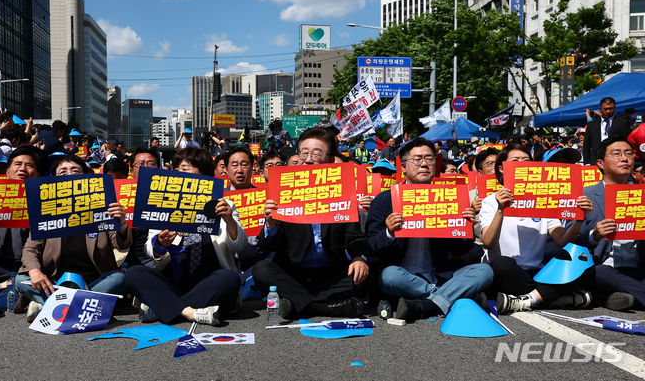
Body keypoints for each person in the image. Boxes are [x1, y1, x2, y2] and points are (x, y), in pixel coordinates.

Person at [366, 138, 493, 320]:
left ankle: (427, 305)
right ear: (403, 167)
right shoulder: (384, 200)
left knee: (484, 271)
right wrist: (389, 232)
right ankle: (448, 296)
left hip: (440, 275)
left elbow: (461, 250)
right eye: (417, 159)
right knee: (389, 276)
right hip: (402, 277)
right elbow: (371, 245)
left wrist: (465, 227)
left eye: (429, 159)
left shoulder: (450, 198)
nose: (424, 164)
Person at [253, 127, 372, 319]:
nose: (308, 159)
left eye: (317, 153)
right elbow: (265, 247)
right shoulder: (284, 189)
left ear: (331, 159)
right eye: (304, 153)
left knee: (364, 275)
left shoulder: (342, 190)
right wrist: (271, 225)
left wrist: (359, 258)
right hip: (293, 272)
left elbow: (354, 236)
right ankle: (327, 308)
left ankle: (295, 304)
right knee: (262, 270)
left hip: (330, 272)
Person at [124, 147, 247, 326]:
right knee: (134, 273)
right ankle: (190, 312)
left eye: (186, 170)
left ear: (203, 173)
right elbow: (150, 250)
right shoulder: (163, 201)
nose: (180, 174)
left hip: (207, 281)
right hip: (172, 279)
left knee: (229, 279)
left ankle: (162, 306)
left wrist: (229, 221)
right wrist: (159, 243)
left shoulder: (224, 205)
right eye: (178, 170)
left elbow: (239, 246)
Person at [479, 143, 594, 314]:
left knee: (580, 259)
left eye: (526, 160)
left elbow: (563, 241)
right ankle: (554, 297)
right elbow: (488, 242)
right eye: (516, 160)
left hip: (538, 272)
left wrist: (579, 218)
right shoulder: (490, 201)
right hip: (507, 272)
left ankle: (528, 300)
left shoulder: (544, 199)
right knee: (502, 264)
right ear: (503, 168)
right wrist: (501, 209)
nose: (522, 164)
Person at [16, 155, 132, 322]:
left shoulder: (102, 206)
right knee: (21, 279)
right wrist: (35, 272)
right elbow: (30, 249)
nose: (69, 174)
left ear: (86, 176)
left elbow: (122, 244)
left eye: (75, 170)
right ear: (54, 179)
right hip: (55, 283)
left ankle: (53, 307)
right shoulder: (46, 210)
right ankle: (82, 308)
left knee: (119, 277)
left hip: (93, 282)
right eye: (62, 172)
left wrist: (120, 222)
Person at [577, 137, 642, 310]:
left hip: (637, 266)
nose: (624, 158)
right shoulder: (585, 196)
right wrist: (595, 235)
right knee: (600, 273)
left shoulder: (641, 195)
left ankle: (615, 298)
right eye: (617, 154)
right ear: (600, 163)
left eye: (629, 154)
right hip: (604, 267)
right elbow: (570, 240)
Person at [0, 147, 46, 285]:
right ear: (7, 171)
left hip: (30, 267)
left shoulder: (45, 205)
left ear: (38, 174)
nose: (22, 169)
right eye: (18, 164)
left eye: (29, 165)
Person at [123, 148, 162, 268]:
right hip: (121, 260)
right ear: (131, 171)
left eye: (151, 164)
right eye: (140, 164)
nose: (145, 168)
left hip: (155, 261)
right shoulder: (118, 195)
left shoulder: (168, 196)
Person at [583, 97, 632, 165]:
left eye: (610, 109)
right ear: (600, 109)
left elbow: (629, 142)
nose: (608, 111)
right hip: (595, 161)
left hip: (616, 161)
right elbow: (586, 145)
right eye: (605, 109)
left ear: (614, 108)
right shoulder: (592, 124)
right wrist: (587, 163)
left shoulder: (622, 123)